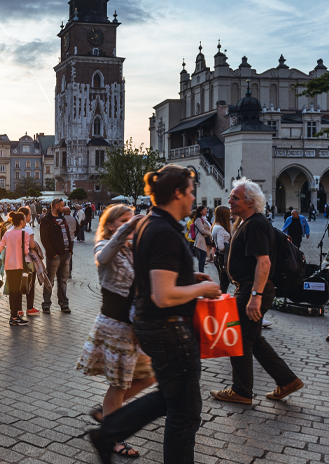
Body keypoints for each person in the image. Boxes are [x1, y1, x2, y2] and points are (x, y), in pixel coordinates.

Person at [88, 165, 221, 464]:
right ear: (177, 193)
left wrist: (189, 280)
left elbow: (152, 277)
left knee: (174, 398)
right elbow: (163, 295)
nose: (192, 197)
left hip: (155, 326)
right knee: (184, 411)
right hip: (168, 328)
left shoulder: (151, 223)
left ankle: (109, 430)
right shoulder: (163, 230)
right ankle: (109, 431)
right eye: (190, 191)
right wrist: (203, 290)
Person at [210, 178, 304, 405]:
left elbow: (264, 263)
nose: (229, 200)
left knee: (239, 340)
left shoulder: (255, 224)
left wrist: (255, 296)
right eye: (231, 196)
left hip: (252, 289)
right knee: (255, 340)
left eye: (235, 197)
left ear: (250, 202)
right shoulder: (246, 222)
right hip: (248, 288)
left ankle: (241, 390)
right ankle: (287, 380)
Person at [76, 205, 155, 459]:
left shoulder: (133, 249)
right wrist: (128, 228)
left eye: (130, 220)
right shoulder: (104, 245)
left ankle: (108, 413)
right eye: (123, 221)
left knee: (148, 376)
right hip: (116, 325)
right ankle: (112, 435)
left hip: (134, 327)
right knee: (119, 385)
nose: (129, 224)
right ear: (111, 225)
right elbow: (103, 258)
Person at [0, 211, 31, 326]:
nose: (25, 222)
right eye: (25, 220)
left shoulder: (8, 233)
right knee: (17, 291)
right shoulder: (24, 234)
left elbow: (0, 246)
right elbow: (26, 252)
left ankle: (14, 315)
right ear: (21, 222)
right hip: (18, 265)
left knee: (12, 290)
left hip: (8, 265)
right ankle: (14, 317)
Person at [40, 198, 74, 314]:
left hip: (66, 254)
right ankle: (46, 304)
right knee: (50, 281)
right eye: (62, 206)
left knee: (63, 280)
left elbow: (67, 235)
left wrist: (70, 250)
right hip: (54, 255)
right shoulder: (47, 220)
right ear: (56, 206)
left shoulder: (63, 219)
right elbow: (44, 238)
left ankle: (64, 304)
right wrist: (52, 253)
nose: (64, 208)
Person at [211, 205, 232, 293]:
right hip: (223, 257)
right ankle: (221, 301)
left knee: (223, 281)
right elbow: (221, 246)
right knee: (224, 282)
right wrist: (230, 245)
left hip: (219, 257)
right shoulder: (220, 229)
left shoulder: (216, 225)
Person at [193, 205, 211, 273]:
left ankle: (202, 271)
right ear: (200, 212)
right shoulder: (198, 219)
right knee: (202, 257)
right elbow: (202, 230)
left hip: (205, 239)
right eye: (204, 209)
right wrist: (211, 233)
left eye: (206, 209)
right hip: (201, 239)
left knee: (203, 256)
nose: (206, 210)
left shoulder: (205, 219)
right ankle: (201, 272)